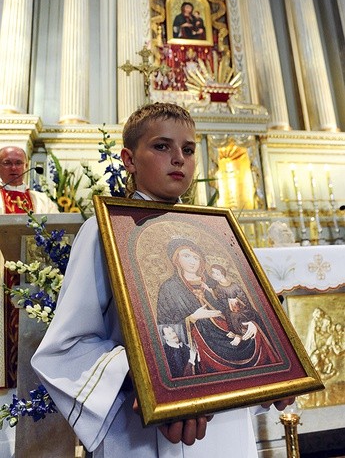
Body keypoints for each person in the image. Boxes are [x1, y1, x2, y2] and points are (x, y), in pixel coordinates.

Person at [31, 102, 293, 458]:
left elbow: (240, 312)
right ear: (129, 159)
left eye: (187, 149)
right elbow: (68, 346)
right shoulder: (104, 232)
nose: (178, 158)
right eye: (161, 146)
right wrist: (154, 384)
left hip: (227, 424)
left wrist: (271, 374)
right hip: (145, 434)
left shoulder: (215, 233)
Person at [157, 240, 280, 372]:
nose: (192, 261)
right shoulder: (169, 288)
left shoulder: (214, 283)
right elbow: (163, 327)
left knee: (255, 337)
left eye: (196, 258)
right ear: (176, 259)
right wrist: (192, 318)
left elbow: (238, 307)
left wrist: (250, 322)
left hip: (231, 330)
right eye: (186, 256)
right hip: (202, 341)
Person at [0, 145, 59, 214]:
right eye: (7, 163)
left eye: (18, 163)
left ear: (26, 166)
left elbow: (56, 223)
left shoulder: (43, 201)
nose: (13, 168)